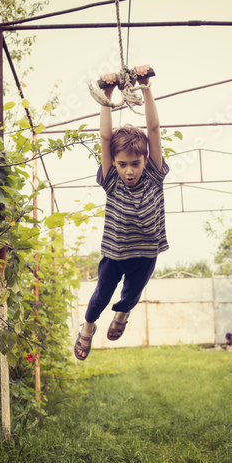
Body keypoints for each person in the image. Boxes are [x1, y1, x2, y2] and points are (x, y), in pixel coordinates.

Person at [74, 64, 169, 360]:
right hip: (115, 253)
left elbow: (153, 129)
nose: (129, 171)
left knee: (130, 295)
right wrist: (107, 93)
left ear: (145, 161)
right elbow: (105, 138)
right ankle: (88, 327)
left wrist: (145, 85)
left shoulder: (154, 173)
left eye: (135, 164)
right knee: (101, 295)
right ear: (114, 163)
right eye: (123, 164)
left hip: (145, 252)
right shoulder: (111, 180)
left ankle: (122, 315)